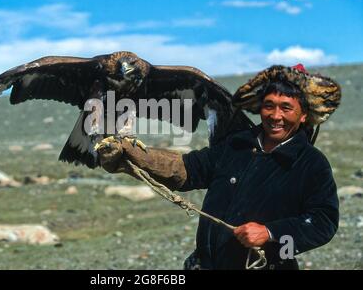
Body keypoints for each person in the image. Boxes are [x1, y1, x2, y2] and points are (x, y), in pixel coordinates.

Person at [97, 64, 341, 270]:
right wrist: (131, 154)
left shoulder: (311, 163)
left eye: (286, 107)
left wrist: (270, 233)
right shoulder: (237, 145)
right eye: (269, 105)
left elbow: (323, 223)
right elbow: (186, 169)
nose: (275, 115)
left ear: (303, 116)